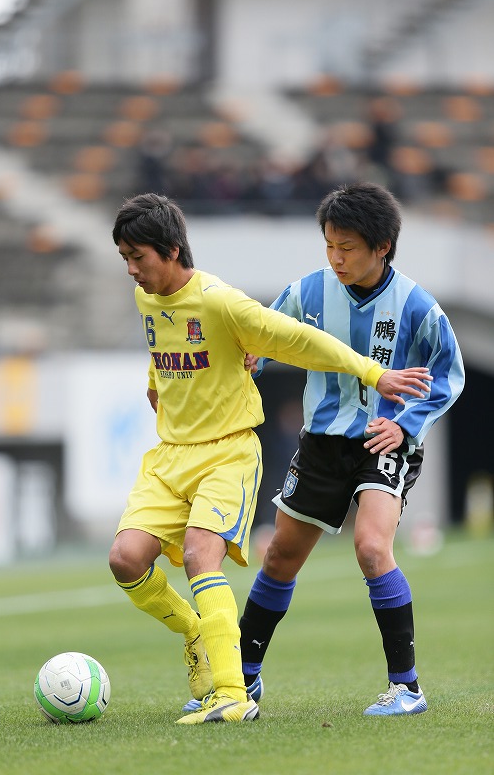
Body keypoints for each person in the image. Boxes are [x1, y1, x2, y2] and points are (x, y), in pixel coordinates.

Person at [108, 191, 432, 724]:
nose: (130, 270)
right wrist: (154, 382)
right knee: (127, 561)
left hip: (236, 451)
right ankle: (199, 636)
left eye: (136, 257)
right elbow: (163, 343)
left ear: (170, 250)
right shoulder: (148, 298)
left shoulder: (221, 301)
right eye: (123, 258)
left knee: (208, 555)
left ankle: (236, 692)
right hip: (173, 455)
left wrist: (377, 377)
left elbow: (301, 341)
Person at [232, 181, 465, 717]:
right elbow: (263, 340)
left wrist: (406, 425)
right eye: (329, 246)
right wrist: (249, 362)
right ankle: (241, 678)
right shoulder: (306, 293)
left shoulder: (417, 305)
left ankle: (406, 688)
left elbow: (449, 376)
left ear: (382, 246)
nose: (336, 258)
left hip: (384, 440)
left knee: (370, 547)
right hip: (320, 443)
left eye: (348, 247)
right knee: (281, 556)